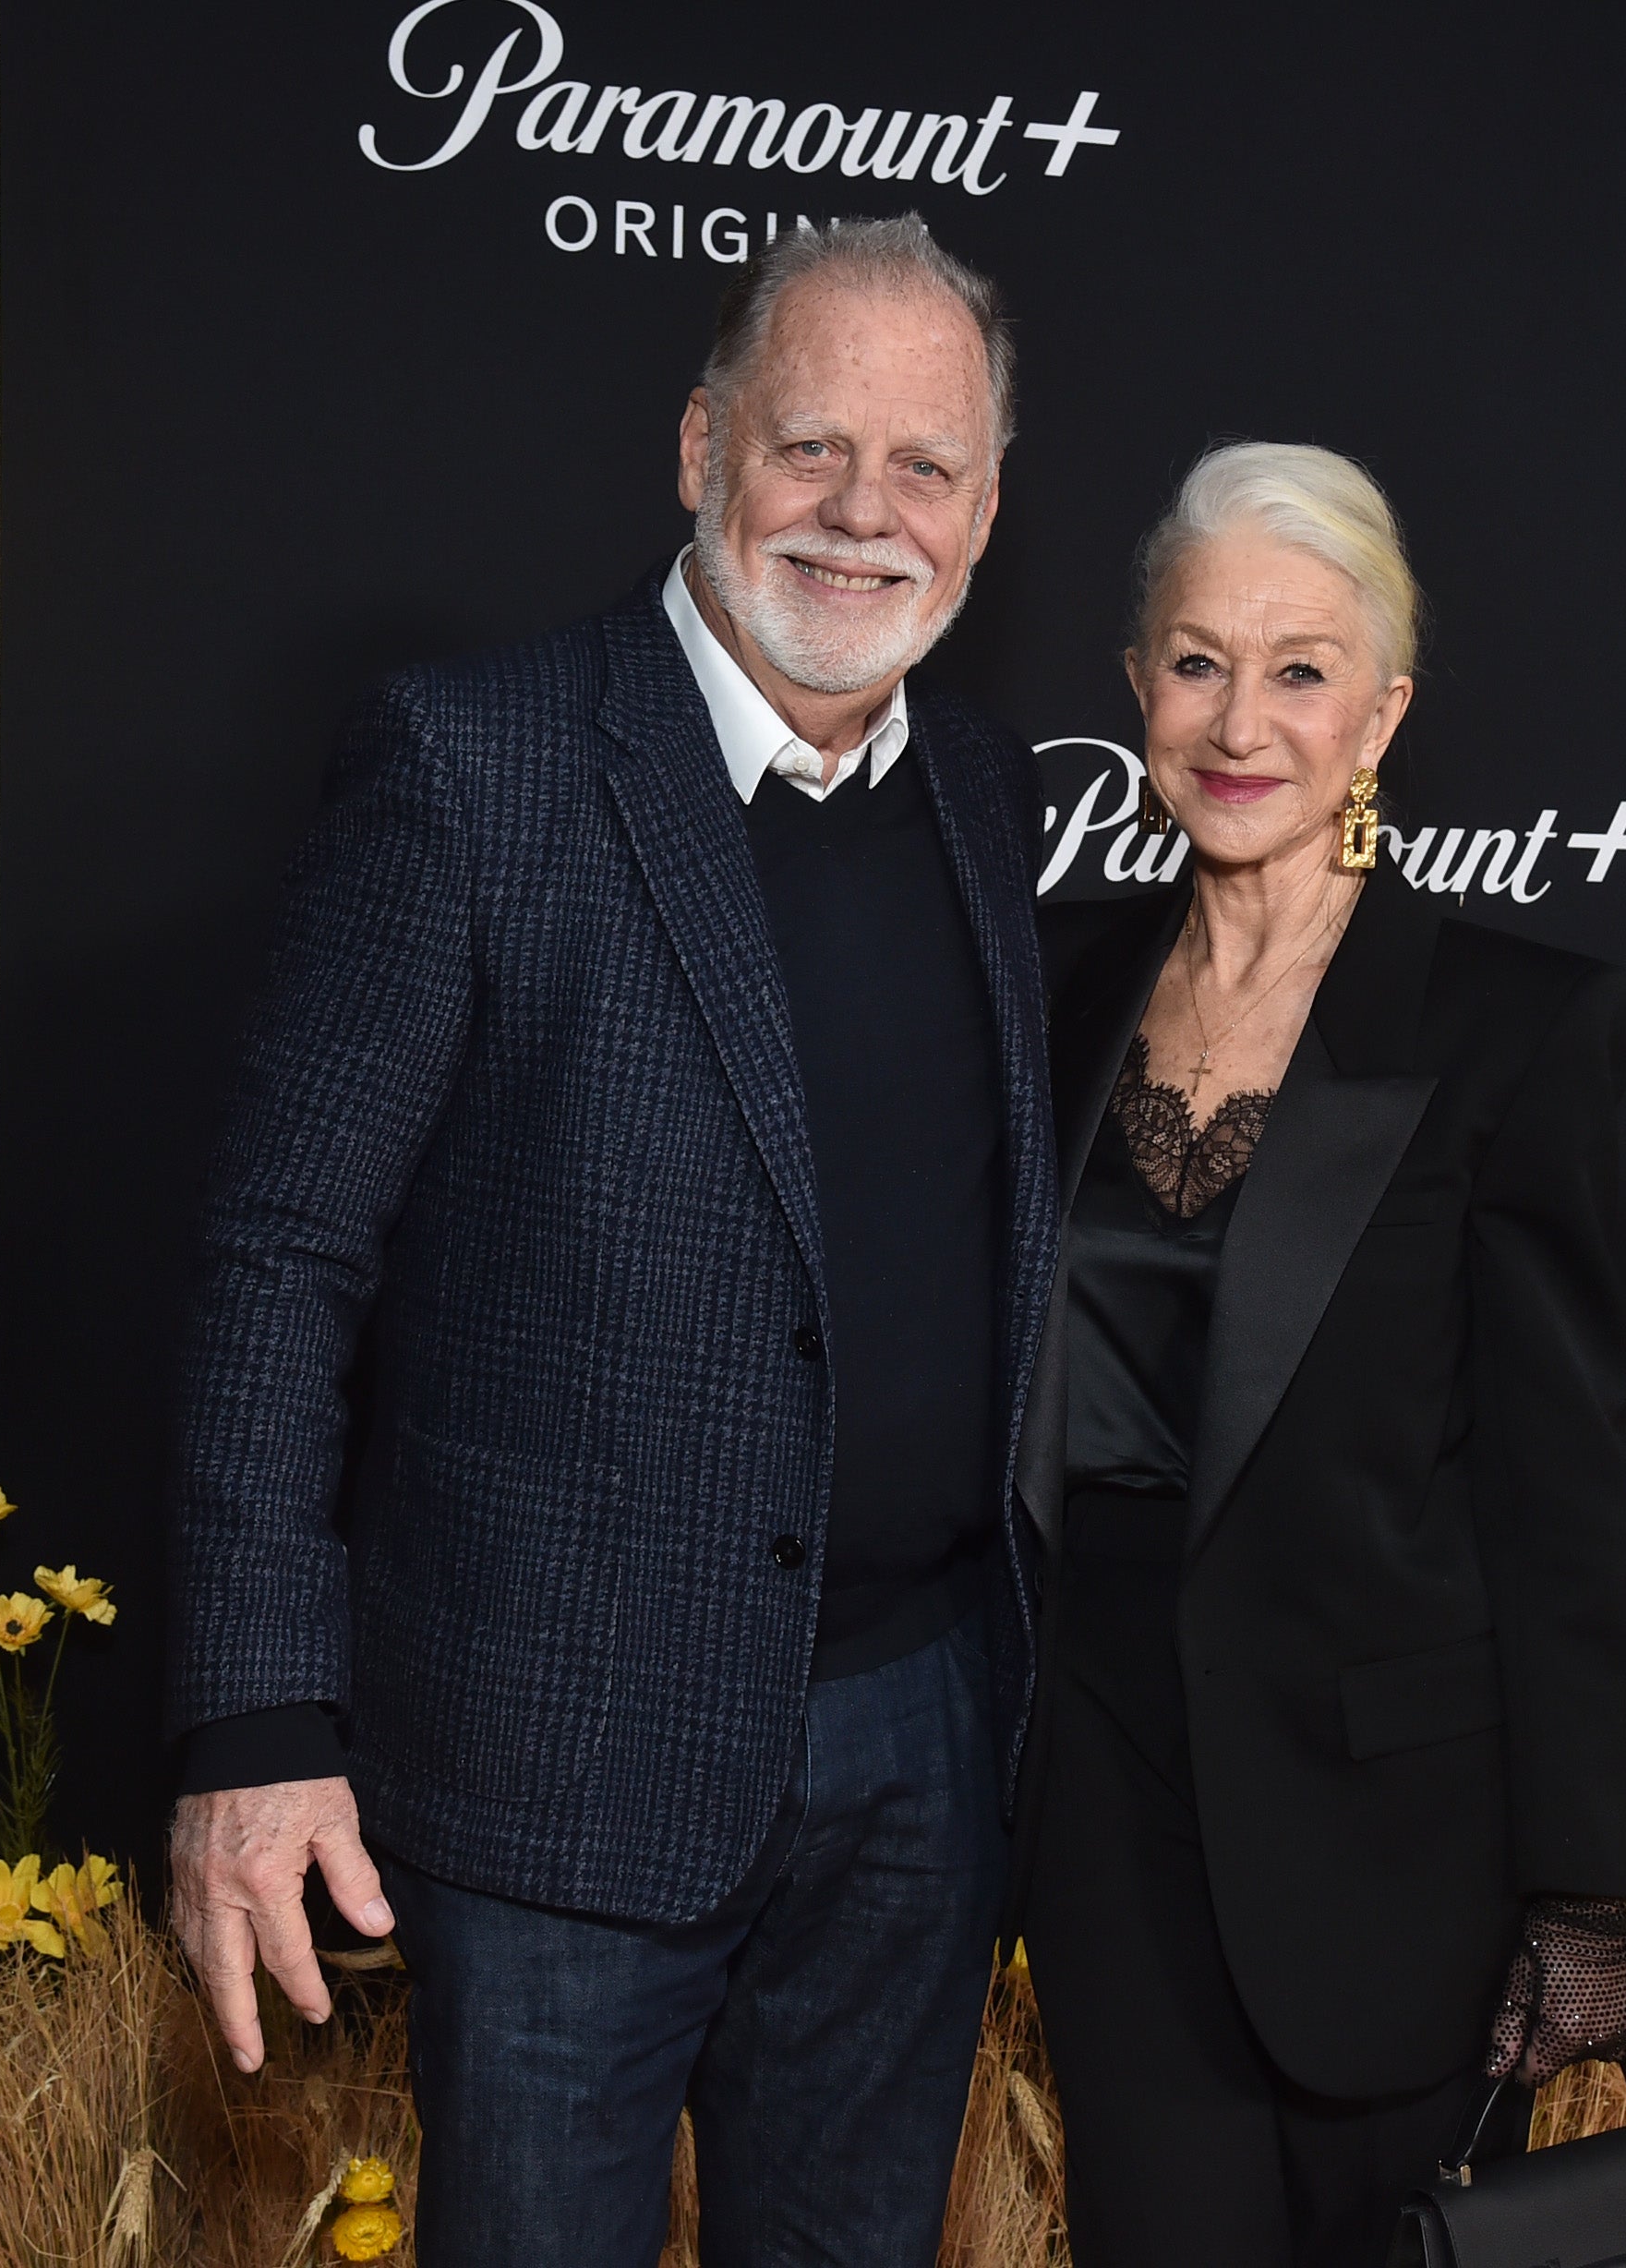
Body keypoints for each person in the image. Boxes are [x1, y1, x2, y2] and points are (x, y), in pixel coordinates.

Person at [162, 217, 1056, 2268]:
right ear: (697, 445)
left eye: (927, 467)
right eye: (811, 444)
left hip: (917, 1755)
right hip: (558, 1756)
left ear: (990, 513)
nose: (863, 513)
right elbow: (276, 1258)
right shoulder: (475, 765)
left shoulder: (987, 799)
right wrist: (258, 1726)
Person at [1016, 443, 1626, 2266]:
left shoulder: (1513, 1027)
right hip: (1104, 1791)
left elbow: (1559, 1491)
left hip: (1400, 1837)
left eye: (1300, 670)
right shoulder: (1040, 986)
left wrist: (1588, 1889)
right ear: (1138, 686)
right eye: (1198, 659)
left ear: (1377, 718)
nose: (1242, 718)